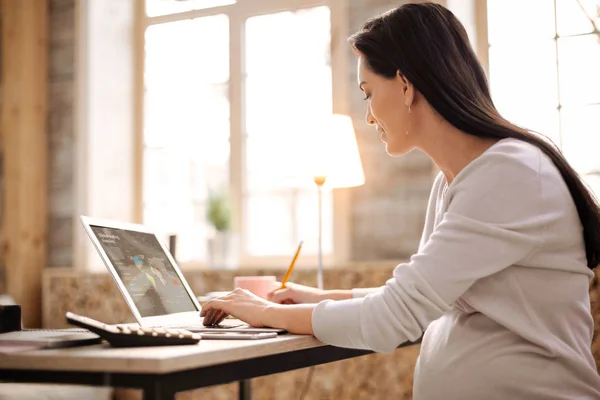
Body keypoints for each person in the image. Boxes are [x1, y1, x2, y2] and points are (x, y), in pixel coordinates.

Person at [201, 3, 600, 398]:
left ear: (406, 86)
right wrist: (319, 297)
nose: (369, 117)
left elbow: (395, 316)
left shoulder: (510, 173)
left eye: (368, 93)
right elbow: (419, 297)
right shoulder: (456, 181)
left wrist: (267, 314)